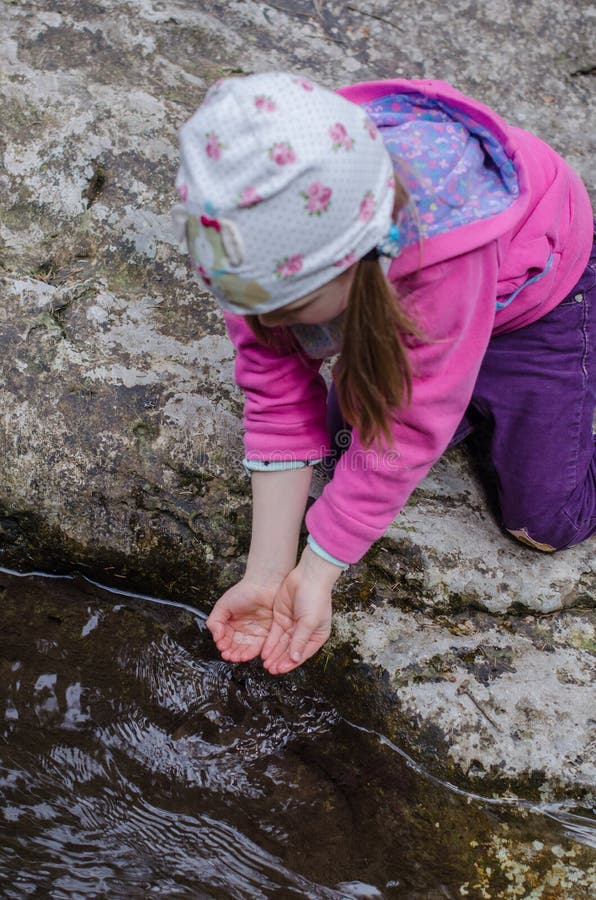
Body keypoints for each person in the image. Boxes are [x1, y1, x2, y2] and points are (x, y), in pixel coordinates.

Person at [175, 71, 595, 676]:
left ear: (358, 259)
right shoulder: (250, 244)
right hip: (408, 310)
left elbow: (409, 427)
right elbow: (276, 391)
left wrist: (320, 569)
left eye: (291, 311)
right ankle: (466, 393)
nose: (271, 323)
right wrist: (268, 576)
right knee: (342, 453)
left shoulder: (442, 242)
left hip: (535, 303)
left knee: (545, 520)